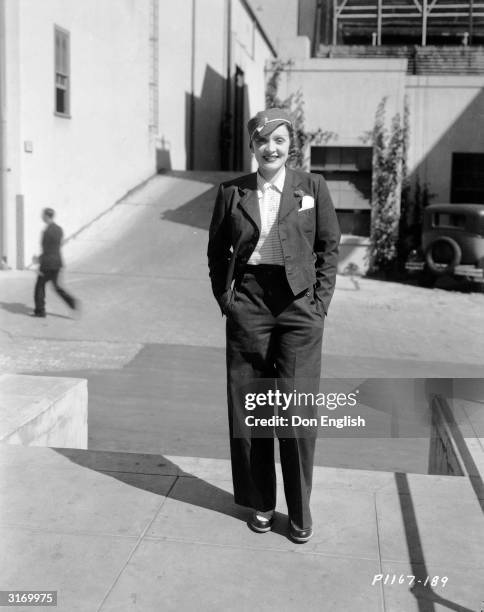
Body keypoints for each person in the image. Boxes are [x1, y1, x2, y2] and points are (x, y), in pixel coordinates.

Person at [207, 108, 341, 543]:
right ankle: (262, 503)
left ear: (290, 145)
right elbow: (216, 253)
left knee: (296, 412)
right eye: (263, 141)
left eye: (279, 140)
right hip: (249, 304)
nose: (271, 148)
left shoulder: (312, 187)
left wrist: (319, 303)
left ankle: (300, 513)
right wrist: (228, 299)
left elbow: (329, 247)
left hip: (300, 306)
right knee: (253, 411)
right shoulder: (232, 193)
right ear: (252, 147)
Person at [32, 207, 77, 317]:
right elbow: (55, 247)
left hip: (47, 264)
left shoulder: (46, 232)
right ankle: (72, 302)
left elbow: (47, 249)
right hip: (57, 263)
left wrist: (38, 260)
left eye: (43, 215)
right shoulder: (59, 229)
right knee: (56, 287)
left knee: (39, 286)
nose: (41, 217)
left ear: (47, 216)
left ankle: (40, 311)